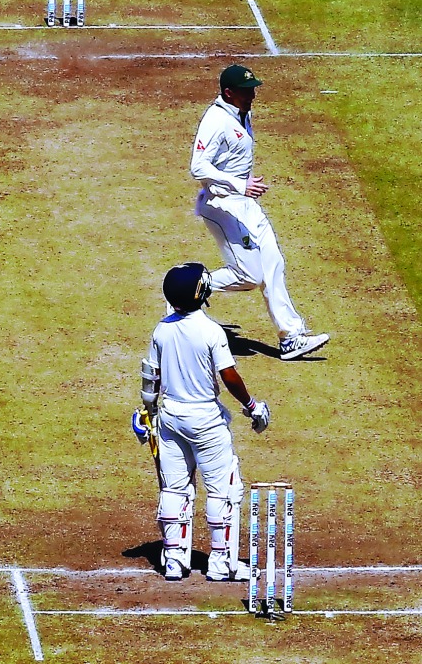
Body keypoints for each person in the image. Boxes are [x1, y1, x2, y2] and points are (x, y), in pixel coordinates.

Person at [142, 262, 272, 581]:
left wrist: (148, 411)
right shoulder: (211, 332)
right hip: (206, 422)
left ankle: (173, 559)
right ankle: (221, 562)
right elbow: (228, 375)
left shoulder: (161, 330)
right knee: (223, 490)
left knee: (175, 488)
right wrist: (252, 406)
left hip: (170, 419)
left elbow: (150, 378)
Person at [191, 64, 328, 361]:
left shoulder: (242, 112)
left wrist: (244, 189)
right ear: (229, 93)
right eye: (247, 90)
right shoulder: (215, 121)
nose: (253, 94)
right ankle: (188, 290)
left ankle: (291, 337)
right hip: (222, 205)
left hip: (246, 204)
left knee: (274, 264)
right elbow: (198, 166)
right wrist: (239, 184)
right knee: (251, 276)